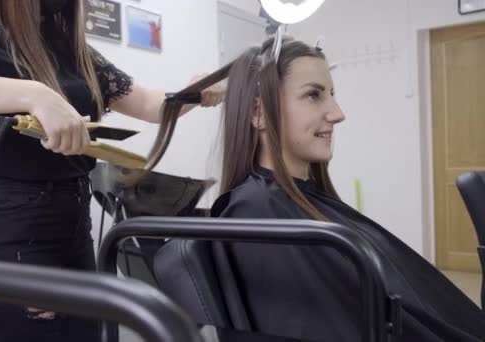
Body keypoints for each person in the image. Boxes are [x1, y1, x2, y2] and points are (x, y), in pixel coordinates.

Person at [0, 1, 224, 341]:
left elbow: (148, 104)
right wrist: (34, 95)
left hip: (73, 227)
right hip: (11, 233)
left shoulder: (71, 48)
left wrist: (194, 94)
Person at [145, 36, 485, 341]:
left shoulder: (294, 199)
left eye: (331, 94)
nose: (337, 114)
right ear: (258, 113)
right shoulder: (258, 210)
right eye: (313, 95)